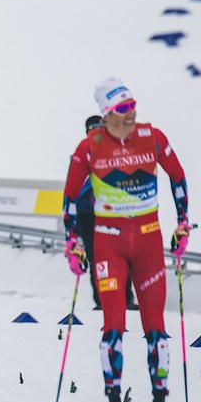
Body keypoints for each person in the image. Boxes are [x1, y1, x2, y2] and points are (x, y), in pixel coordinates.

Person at [62, 78, 189, 402]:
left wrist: (183, 225)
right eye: (120, 109)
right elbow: (70, 198)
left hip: (148, 243)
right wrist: (73, 242)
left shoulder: (154, 138)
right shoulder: (90, 147)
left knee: (156, 331)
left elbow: (178, 178)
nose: (129, 114)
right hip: (108, 245)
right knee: (114, 327)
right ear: (105, 114)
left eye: (132, 106)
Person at [71, 114, 137, 311]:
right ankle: (102, 301)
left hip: (113, 213)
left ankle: (126, 300)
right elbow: (74, 189)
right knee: (96, 257)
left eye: (99, 128)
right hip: (88, 214)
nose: (96, 133)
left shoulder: (116, 151)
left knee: (121, 256)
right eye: (92, 130)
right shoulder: (84, 152)